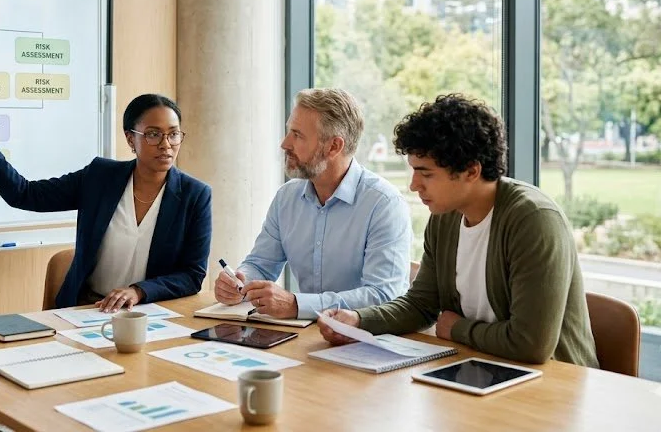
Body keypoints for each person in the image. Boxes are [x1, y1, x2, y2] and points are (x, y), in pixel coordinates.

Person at [318, 94, 599, 367]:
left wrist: (457, 329)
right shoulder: (445, 218)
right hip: (483, 369)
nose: (414, 185)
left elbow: (531, 344)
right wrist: (358, 320)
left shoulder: (533, 221)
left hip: (552, 385)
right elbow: (422, 305)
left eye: (426, 173)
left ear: (471, 171)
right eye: (413, 171)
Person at [0, 93, 211, 312]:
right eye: (153, 134)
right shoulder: (99, 177)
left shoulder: (195, 195)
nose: (166, 145)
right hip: (86, 309)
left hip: (149, 314)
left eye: (173, 134)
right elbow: (24, 194)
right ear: (130, 139)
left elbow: (192, 275)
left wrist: (138, 291)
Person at [213, 88, 413, 320]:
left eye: (297, 135)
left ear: (334, 147)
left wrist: (297, 304)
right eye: (289, 131)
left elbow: (383, 296)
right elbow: (261, 264)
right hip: (304, 335)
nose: (285, 143)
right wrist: (239, 281)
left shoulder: (384, 205)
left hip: (365, 340)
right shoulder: (286, 198)